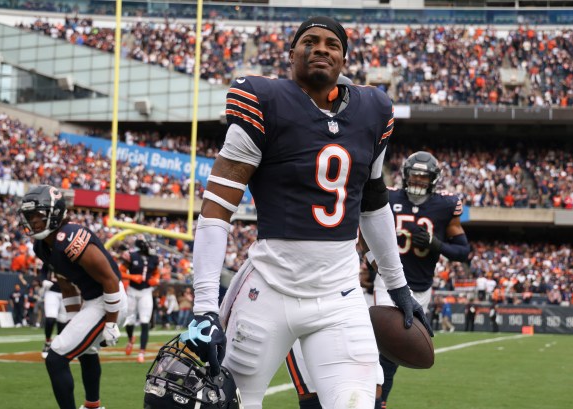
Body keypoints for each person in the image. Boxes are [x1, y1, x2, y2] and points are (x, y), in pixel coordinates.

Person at [179, 16, 422, 409]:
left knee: (357, 403)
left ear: (344, 58)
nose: (321, 48)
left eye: (332, 43)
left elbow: (373, 203)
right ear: (291, 53)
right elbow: (216, 209)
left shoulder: (373, 109)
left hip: (339, 292)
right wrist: (205, 305)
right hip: (269, 289)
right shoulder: (263, 100)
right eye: (310, 41)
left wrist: (398, 286)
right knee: (229, 401)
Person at [288, 150, 470, 409]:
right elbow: (366, 231)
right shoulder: (389, 197)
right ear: (406, 177)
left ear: (433, 180)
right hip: (389, 281)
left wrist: (436, 244)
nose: (418, 182)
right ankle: (377, 401)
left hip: (423, 287)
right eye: (414, 177)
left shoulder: (445, 205)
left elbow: (463, 252)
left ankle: (378, 400)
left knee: (395, 351)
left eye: (423, 178)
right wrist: (373, 264)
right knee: (382, 344)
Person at [18, 185, 127, 409]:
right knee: (87, 351)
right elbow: (66, 286)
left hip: (108, 300)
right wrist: (73, 319)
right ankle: (93, 406)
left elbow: (110, 279)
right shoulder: (42, 246)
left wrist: (112, 322)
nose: (33, 221)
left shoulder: (70, 237)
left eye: (38, 215)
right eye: (29, 216)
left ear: (54, 213)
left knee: (56, 357)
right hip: (92, 301)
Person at [121, 237, 160, 363]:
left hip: (146, 292)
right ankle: (130, 338)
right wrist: (132, 276)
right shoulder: (131, 256)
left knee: (144, 321)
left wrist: (156, 279)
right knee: (130, 321)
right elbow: (120, 272)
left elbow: (156, 272)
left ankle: (141, 352)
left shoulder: (154, 259)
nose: (152, 248)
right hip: (132, 291)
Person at [40, 263, 69, 358]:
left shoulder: (72, 256)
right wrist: (43, 280)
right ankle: (48, 343)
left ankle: (58, 346)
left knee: (62, 322)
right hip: (52, 291)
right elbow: (43, 270)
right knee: (50, 319)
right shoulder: (50, 255)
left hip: (67, 292)